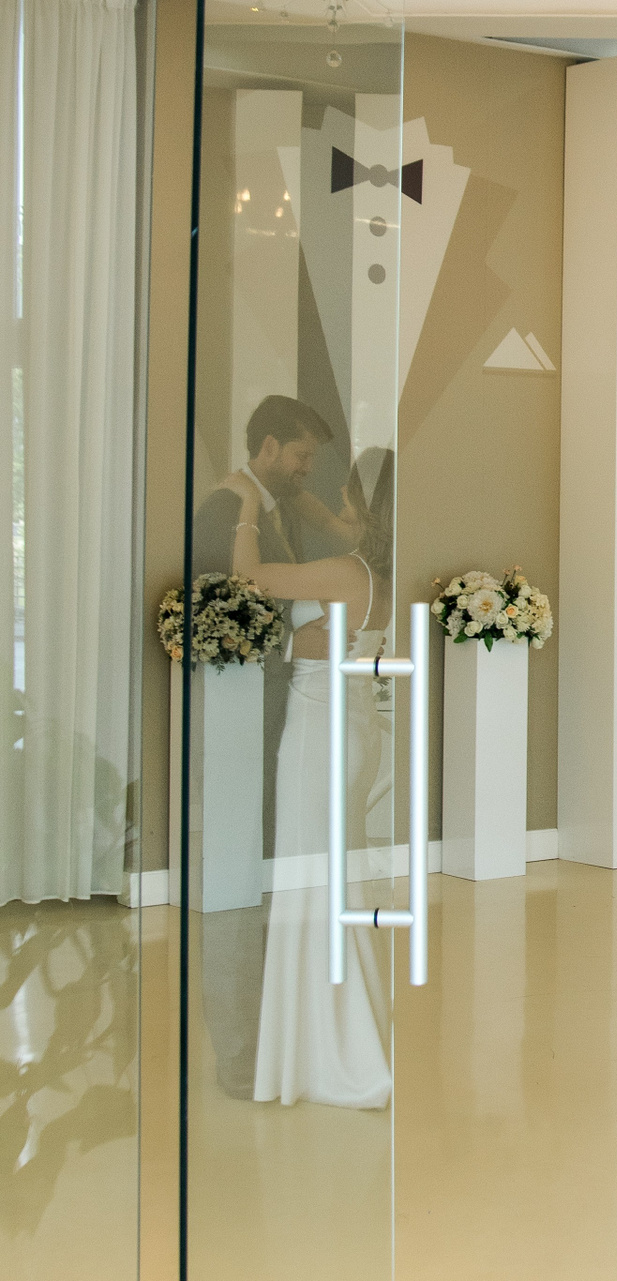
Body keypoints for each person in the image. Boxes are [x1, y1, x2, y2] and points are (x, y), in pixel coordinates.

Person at [224, 447, 395, 1110]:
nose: (337, 500)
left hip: (319, 734)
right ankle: (336, 1036)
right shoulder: (376, 572)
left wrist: (245, 503)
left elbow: (250, 578)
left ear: (363, 502)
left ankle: (324, 1051)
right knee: (332, 878)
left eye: (346, 491)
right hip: (351, 729)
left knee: (308, 881)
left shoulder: (347, 571)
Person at [189, 394, 334, 1100]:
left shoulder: (272, 508)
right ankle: (241, 1053)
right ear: (269, 446)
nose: (306, 468)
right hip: (245, 714)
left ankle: (267, 1037)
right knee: (239, 881)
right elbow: (218, 611)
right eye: (301, 455)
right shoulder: (227, 508)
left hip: (275, 709)